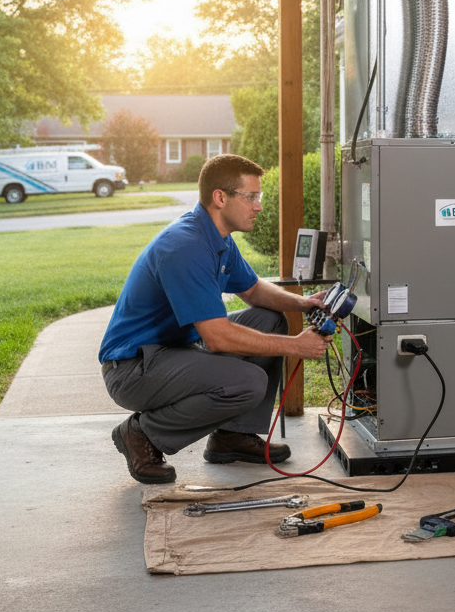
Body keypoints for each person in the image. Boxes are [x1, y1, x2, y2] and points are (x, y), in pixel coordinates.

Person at [98, 153, 333, 484]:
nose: (259, 206)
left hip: (173, 351)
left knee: (271, 320)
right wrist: (295, 346)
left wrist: (305, 303)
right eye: (251, 196)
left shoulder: (217, 239)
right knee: (249, 382)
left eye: (259, 197)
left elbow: (253, 292)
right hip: (133, 370)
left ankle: (233, 436)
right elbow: (217, 337)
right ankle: (141, 434)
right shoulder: (185, 246)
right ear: (220, 198)